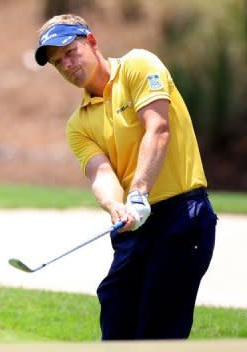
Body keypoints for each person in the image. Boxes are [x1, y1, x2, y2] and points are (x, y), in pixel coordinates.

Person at [34, 14, 217, 340]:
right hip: (132, 225)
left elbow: (158, 129)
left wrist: (139, 192)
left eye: (70, 52)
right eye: (58, 62)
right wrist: (117, 207)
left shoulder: (138, 65)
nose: (66, 65)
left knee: (157, 330)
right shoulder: (78, 124)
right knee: (116, 317)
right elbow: (101, 173)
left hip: (181, 217)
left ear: (91, 41)